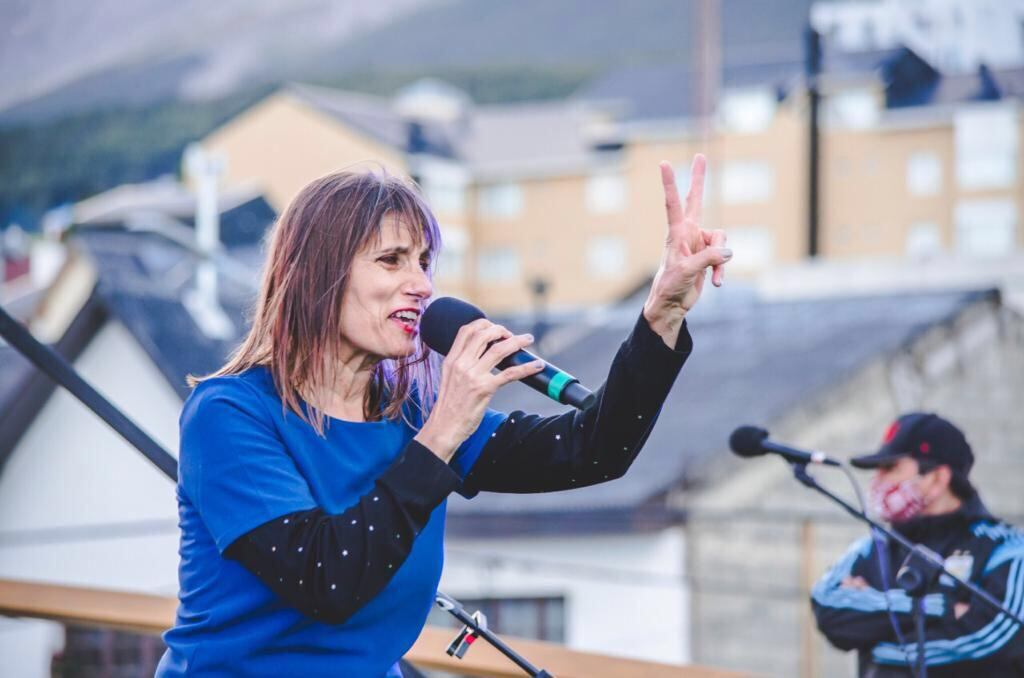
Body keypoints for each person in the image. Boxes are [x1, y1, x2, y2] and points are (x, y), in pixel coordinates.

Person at [156, 157, 731, 676]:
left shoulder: (413, 415)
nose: (422, 285)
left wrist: (663, 314)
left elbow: (594, 449)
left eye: (425, 262)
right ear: (316, 275)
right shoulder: (229, 415)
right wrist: (440, 434)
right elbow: (326, 580)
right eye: (392, 261)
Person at [811, 412, 1024, 677]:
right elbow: (828, 607)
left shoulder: (1007, 548)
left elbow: (995, 639)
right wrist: (941, 607)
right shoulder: (872, 547)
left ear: (937, 478)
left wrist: (874, 642)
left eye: (891, 468)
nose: (877, 481)